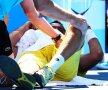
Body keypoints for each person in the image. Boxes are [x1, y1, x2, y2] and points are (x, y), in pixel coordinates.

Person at [0, 20, 103, 88]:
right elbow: (5, 47)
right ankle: (22, 78)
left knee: (76, 22)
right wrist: (25, 27)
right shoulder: (28, 39)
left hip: (63, 54)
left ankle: (50, 69)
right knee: (26, 65)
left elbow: (97, 54)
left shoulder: (70, 48)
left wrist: (87, 29)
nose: (54, 29)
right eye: (51, 27)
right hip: (35, 55)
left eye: (60, 28)